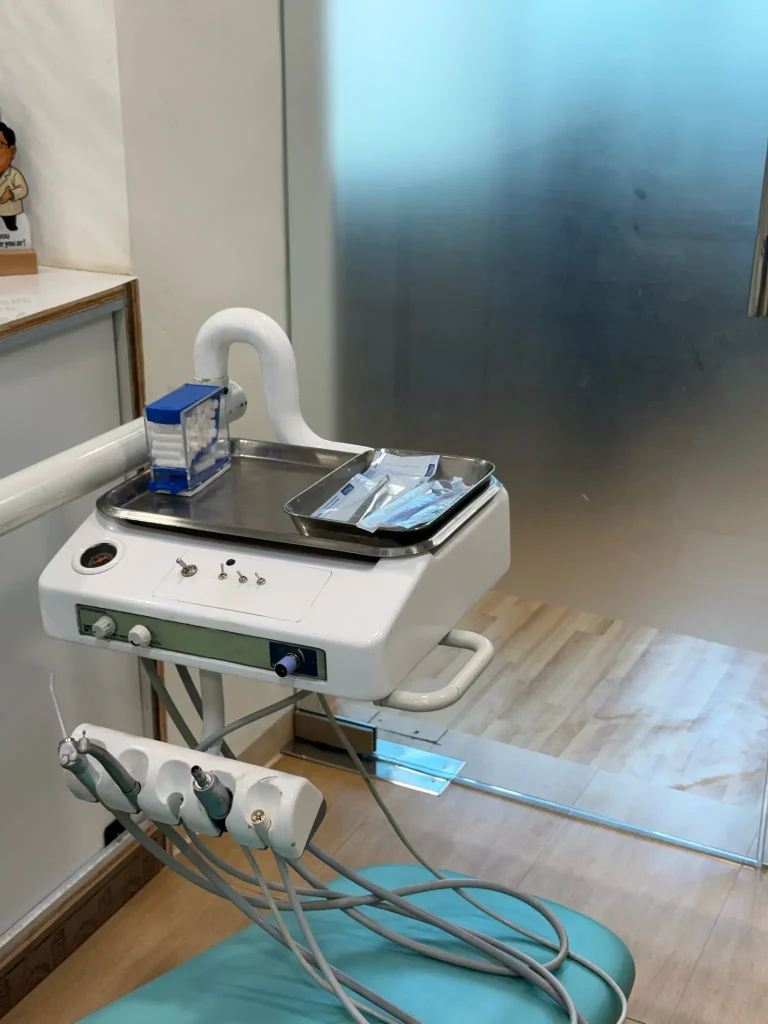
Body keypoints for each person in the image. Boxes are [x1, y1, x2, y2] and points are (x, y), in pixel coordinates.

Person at [0, 122, 29, 233]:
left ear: (11, 152)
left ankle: (12, 230)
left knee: (11, 226)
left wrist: (11, 194)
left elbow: (23, 189)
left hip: (9, 209)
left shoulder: (14, 174)